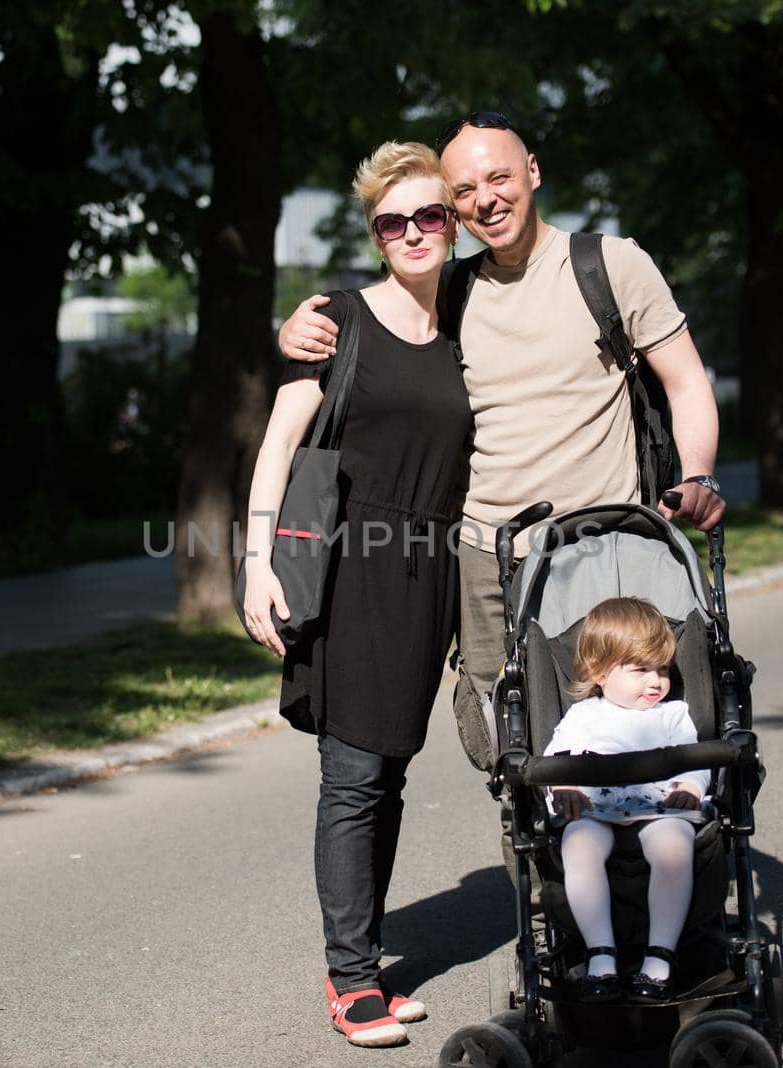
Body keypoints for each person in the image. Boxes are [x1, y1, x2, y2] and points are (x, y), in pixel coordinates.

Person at [277, 111, 726, 772]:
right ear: (453, 209)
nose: (486, 198)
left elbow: (686, 379)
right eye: (464, 190)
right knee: (506, 739)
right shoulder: (450, 291)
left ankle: (637, 858)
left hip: (603, 544)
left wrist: (699, 472)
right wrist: (299, 332)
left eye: (500, 177)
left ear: (533, 172)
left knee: (628, 720)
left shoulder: (608, 266)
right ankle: (543, 875)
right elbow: (376, 325)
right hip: (489, 557)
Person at [241, 141, 472, 1048]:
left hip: (436, 564)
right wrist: (257, 559)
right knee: (354, 774)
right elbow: (279, 441)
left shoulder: (471, 314)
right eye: (393, 222)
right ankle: (350, 981)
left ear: (450, 223)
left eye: (429, 217)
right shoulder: (339, 318)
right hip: (352, 560)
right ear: (375, 234)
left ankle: (366, 961)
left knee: (393, 767)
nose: (413, 234)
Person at [542, 596, 708, 1002]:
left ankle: (659, 955)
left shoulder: (673, 714)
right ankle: (601, 952)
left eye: (663, 670)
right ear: (599, 672)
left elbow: (695, 756)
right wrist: (563, 786)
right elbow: (555, 758)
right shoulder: (584, 716)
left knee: (673, 846)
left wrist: (691, 785)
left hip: (659, 809)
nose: (656, 682)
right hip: (597, 811)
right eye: (641, 671)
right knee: (577, 843)